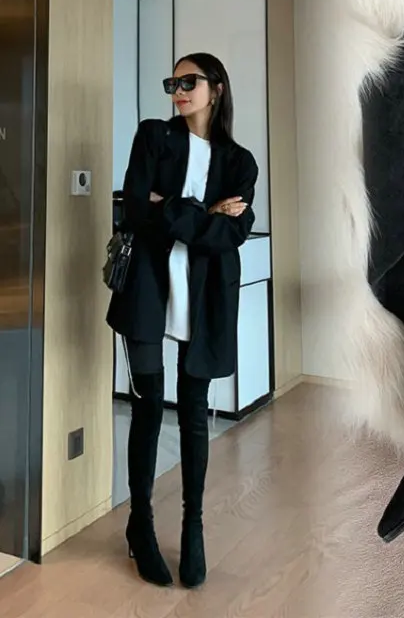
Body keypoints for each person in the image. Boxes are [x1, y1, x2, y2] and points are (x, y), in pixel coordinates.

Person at [106, 52, 258, 588]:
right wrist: (203, 212)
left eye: (189, 81)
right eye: (173, 82)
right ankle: (140, 525)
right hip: (148, 291)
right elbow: (133, 209)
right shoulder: (154, 136)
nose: (178, 90)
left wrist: (169, 207)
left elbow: (231, 236)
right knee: (148, 409)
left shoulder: (240, 163)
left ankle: (193, 529)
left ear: (217, 88)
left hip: (204, 297)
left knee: (193, 415)